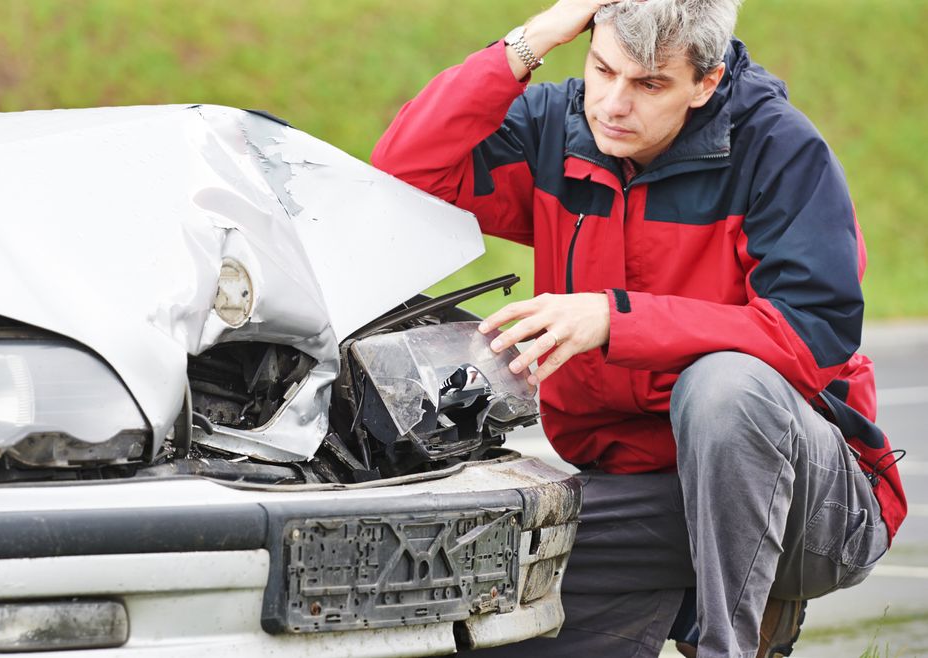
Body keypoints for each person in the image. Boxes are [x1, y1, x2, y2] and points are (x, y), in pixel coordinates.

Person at [370, 0, 908, 655]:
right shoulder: (557, 127)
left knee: (724, 387)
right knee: (488, 561)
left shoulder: (780, 151)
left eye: (650, 83)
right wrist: (537, 35)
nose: (614, 104)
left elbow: (811, 337)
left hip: (813, 512)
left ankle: (726, 641)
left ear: (705, 83)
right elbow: (404, 173)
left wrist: (614, 319)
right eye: (603, 70)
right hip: (643, 502)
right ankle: (678, 601)